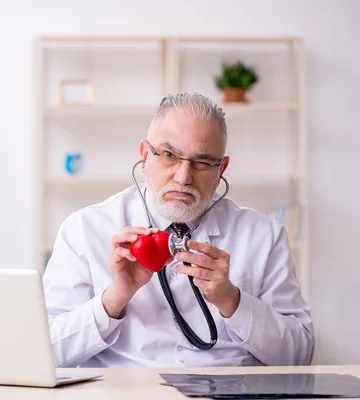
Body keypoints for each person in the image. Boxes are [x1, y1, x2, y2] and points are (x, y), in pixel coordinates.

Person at [42, 92, 314, 368]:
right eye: (169, 155)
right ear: (145, 155)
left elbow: (299, 356)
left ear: (222, 169)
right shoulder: (85, 229)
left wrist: (232, 300)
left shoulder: (264, 236)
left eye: (203, 162)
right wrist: (115, 298)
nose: (184, 177)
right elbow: (47, 353)